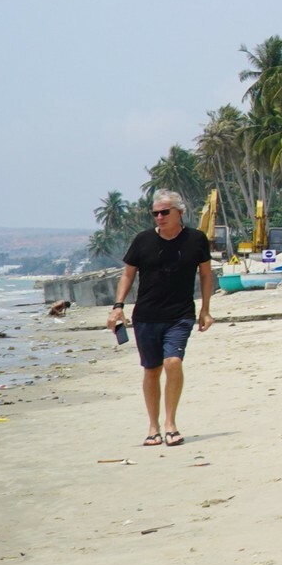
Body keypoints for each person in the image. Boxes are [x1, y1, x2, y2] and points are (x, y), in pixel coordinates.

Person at [107, 190, 214, 448]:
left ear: (179, 212)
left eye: (164, 212)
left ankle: (170, 424)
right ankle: (153, 427)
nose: (159, 217)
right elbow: (127, 275)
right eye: (155, 213)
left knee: (173, 362)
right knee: (152, 370)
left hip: (180, 314)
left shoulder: (196, 239)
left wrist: (206, 309)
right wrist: (118, 307)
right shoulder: (142, 240)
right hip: (146, 316)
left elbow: (206, 275)